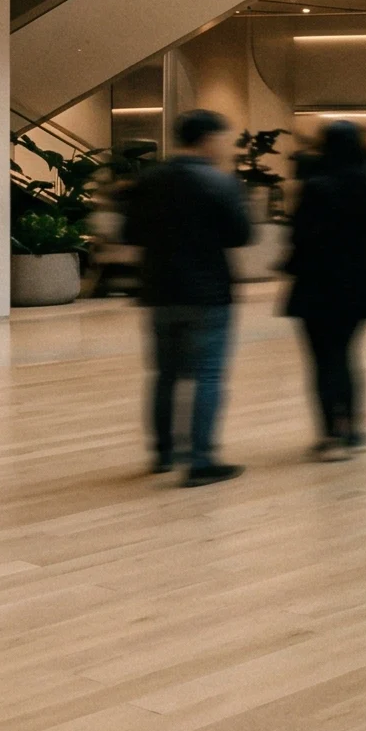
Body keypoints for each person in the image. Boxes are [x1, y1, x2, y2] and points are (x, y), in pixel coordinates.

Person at [122, 109, 254, 486]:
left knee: (164, 375)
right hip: (208, 292)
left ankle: (163, 453)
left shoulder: (148, 181)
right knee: (208, 374)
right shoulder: (221, 183)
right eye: (222, 139)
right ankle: (201, 460)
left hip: (160, 290)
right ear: (208, 139)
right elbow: (240, 235)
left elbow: (131, 232)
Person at [282, 120, 366, 461]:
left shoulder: (314, 184)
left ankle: (329, 434)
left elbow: (297, 234)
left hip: (314, 284)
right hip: (357, 283)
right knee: (346, 356)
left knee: (321, 361)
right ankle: (353, 432)